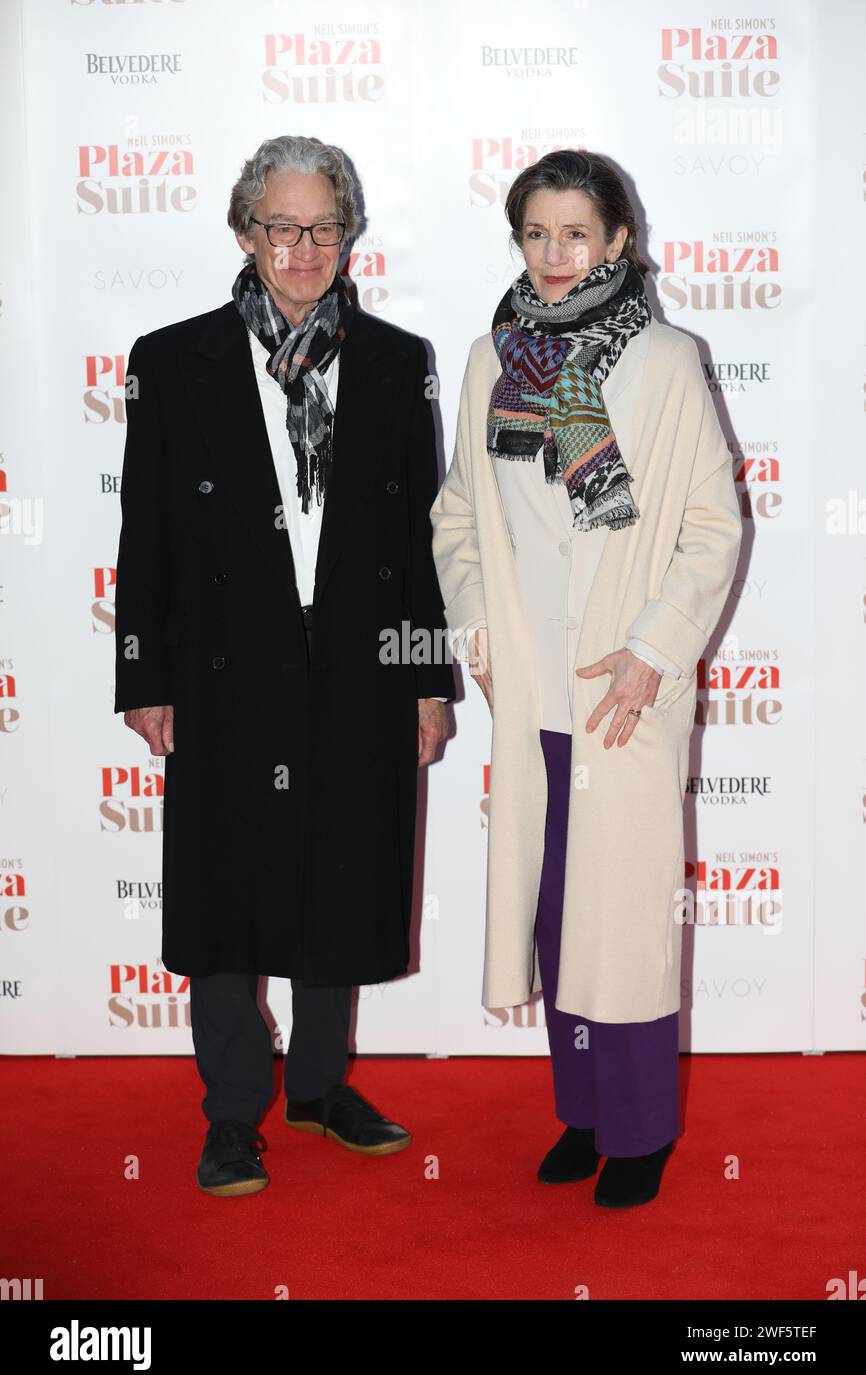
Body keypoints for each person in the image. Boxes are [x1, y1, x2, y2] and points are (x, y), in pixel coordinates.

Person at [114, 135, 453, 1197]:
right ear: (243, 230)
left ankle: (314, 1086)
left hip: (357, 662)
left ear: (348, 234)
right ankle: (228, 1114)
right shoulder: (171, 361)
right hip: (223, 667)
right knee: (224, 886)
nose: (304, 250)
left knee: (340, 870)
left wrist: (425, 675)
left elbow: (428, 543)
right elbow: (148, 532)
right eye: (282, 227)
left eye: (324, 227)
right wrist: (143, 675)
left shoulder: (399, 363)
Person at [430, 150, 742, 1209]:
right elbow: (459, 517)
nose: (554, 256)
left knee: (624, 918)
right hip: (531, 690)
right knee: (555, 911)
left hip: (623, 685)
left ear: (616, 240)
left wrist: (654, 649)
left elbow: (710, 529)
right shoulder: (487, 360)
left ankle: (641, 1129)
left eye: (575, 234)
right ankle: (582, 1111)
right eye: (534, 234)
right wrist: (473, 622)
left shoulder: (664, 359)